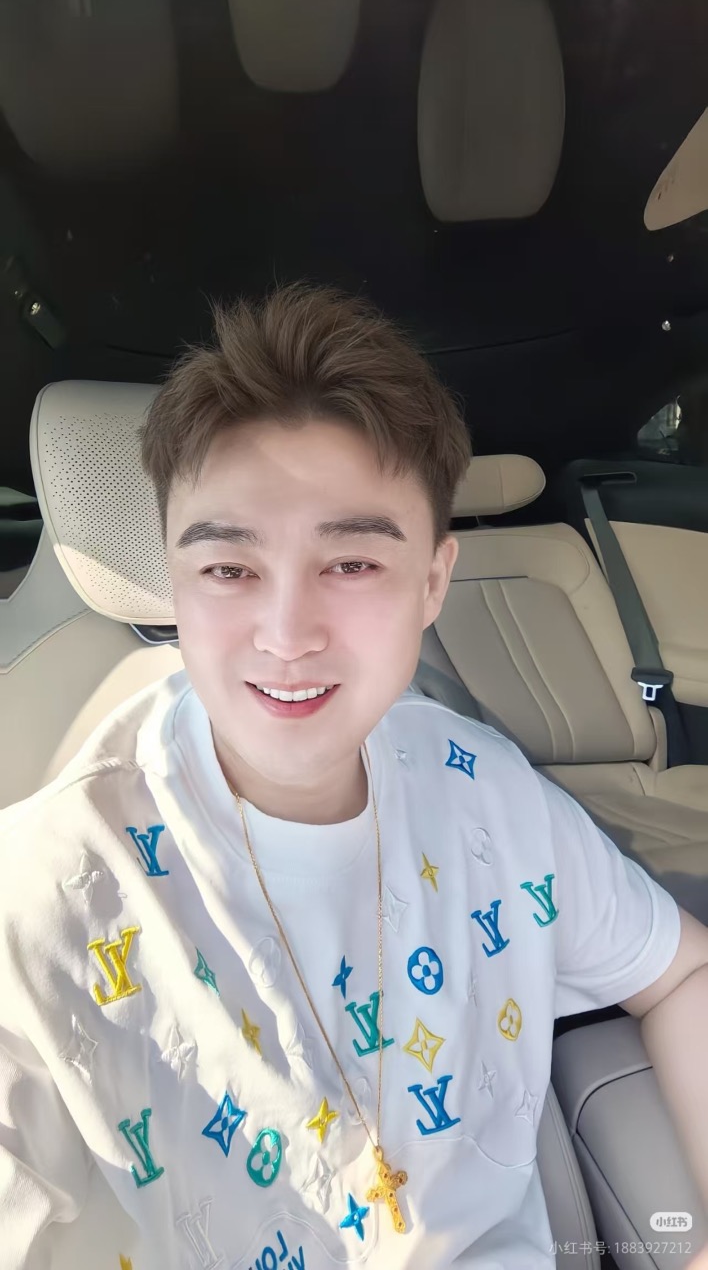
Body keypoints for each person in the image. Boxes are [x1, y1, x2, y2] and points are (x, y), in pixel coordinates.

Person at [1, 283, 707, 1270]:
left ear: (432, 582)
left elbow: (679, 970)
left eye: (352, 565)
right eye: (229, 570)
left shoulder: (484, 791)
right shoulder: (43, 890)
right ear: (174, 579)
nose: (288, 634)